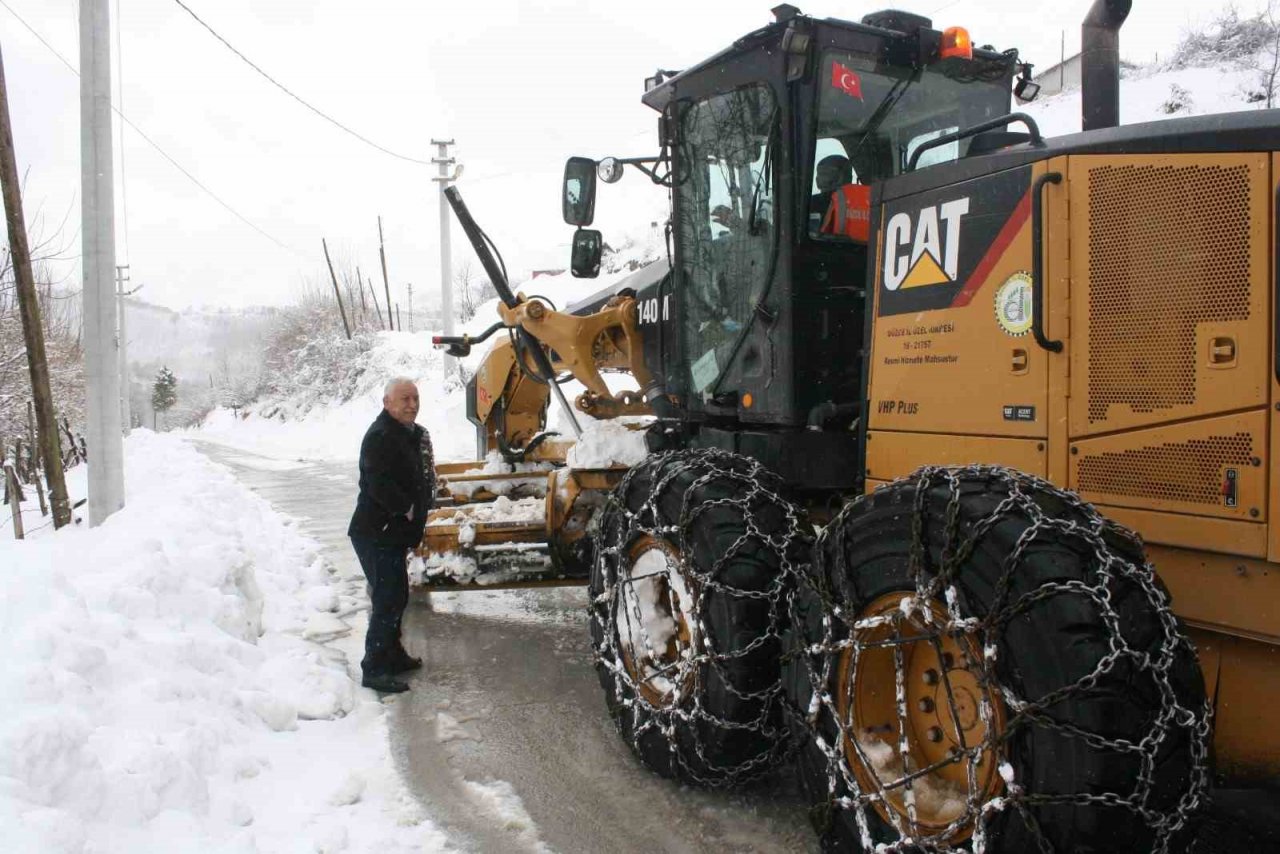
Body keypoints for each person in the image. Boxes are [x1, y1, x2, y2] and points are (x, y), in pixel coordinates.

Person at [347, 377, 436, 693]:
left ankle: (393, 654)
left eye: (415, 398)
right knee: (387, 599)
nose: (411, 404)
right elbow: (376, 483)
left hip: (391, 533)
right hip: (375, 532)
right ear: (387, 402)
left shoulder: (409, 433)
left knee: (397, 596)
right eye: (404, 399)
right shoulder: (381, 435)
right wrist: (408, 508)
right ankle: (374, 667)